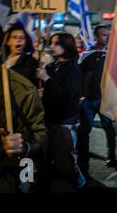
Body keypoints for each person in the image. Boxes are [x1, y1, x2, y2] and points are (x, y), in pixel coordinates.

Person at [0, 13, 47, 193]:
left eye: (21, 37)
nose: (18, 41)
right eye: (14, 37)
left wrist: (23, 146)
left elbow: (40, 137)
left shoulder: (19, 88)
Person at [36, 32, 86, 189]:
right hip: (48, 118)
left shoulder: (73, 68)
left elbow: (67, 95)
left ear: (66, 46)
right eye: (51, 42)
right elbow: (51, 91)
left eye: (56, 43)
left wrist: (47, 80)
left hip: (64, 121)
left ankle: (80, 183)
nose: (52, 46)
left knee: (65, 161)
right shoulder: (50, 66)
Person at [77, 25, 117, 176]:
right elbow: (79, 75)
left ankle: (112, 156)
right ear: (96, 37)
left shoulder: (112, 55)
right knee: (84, 131)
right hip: (88, 100)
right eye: (103, 35)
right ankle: (83, 161)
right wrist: (81, 96)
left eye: (107, 35)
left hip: (105, 99)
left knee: (109, 129)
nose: (106, 38)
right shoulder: (86, 55)